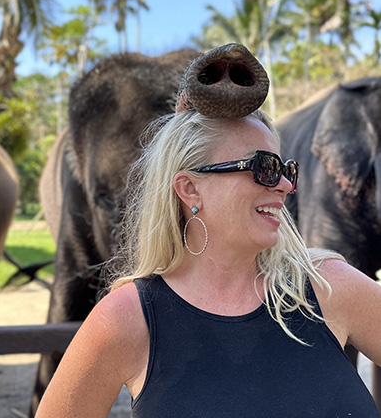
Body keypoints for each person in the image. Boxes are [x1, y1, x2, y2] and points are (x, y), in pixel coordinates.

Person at [35, 63, 381, 417]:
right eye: (263, 168)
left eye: (284, 169)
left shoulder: (329, 287)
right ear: (190, 189)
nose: (285, 185)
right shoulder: (126, 319)